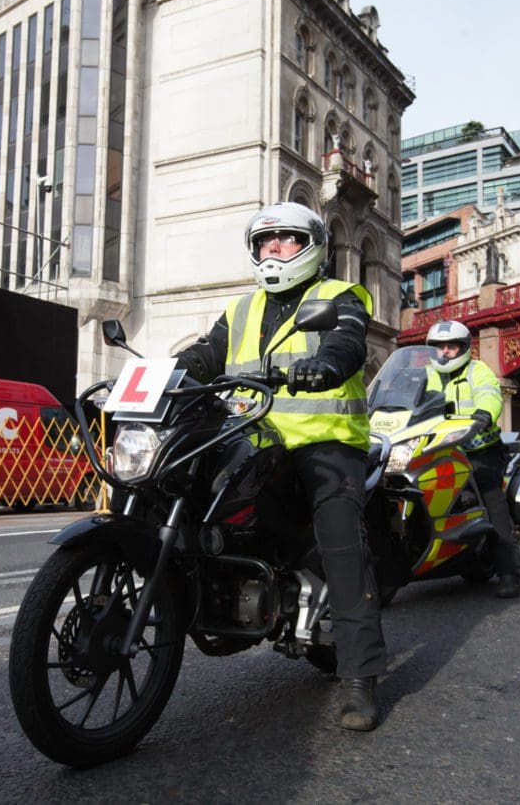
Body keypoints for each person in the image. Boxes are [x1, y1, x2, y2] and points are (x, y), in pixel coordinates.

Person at [174, 201, 385, 732]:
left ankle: (360, 678)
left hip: (326, 442)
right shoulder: (241, 309)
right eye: (264, 242)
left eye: (286, 239)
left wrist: (327, 364)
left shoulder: (337, 295)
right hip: (253, 438)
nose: (273, 250)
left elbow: (348, 340)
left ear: (311, 247)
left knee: (341, 541)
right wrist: (167, 374)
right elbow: (204, 355)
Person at [424, 320, 520, 599]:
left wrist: (483, 414)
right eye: (440, 347)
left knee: (491, 499)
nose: (445, 352)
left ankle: (509, 572)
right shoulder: (427, 375)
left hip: (480, 450)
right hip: (439, 450)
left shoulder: (478, 371)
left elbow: (490, 395)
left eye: (451, 346)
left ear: (464, 348)